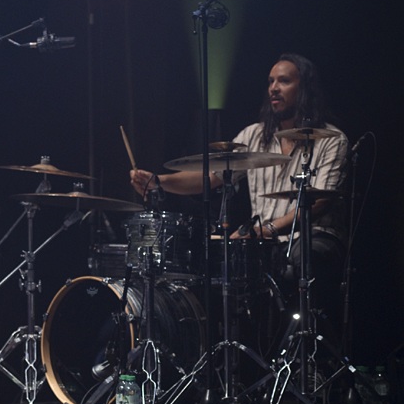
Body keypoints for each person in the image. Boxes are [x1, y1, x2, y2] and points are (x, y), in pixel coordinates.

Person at [129, 53, 349, 331]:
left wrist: (266, 229)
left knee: (306, 256)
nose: (274, 88)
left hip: (312, 236)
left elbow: (318, 202)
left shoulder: (332, 140)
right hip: (264, 242)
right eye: (270, 81)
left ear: (304, 88)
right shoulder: (254, 135)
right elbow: (209, 178)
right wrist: (158, 181)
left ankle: (309, 342)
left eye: (284, 81)